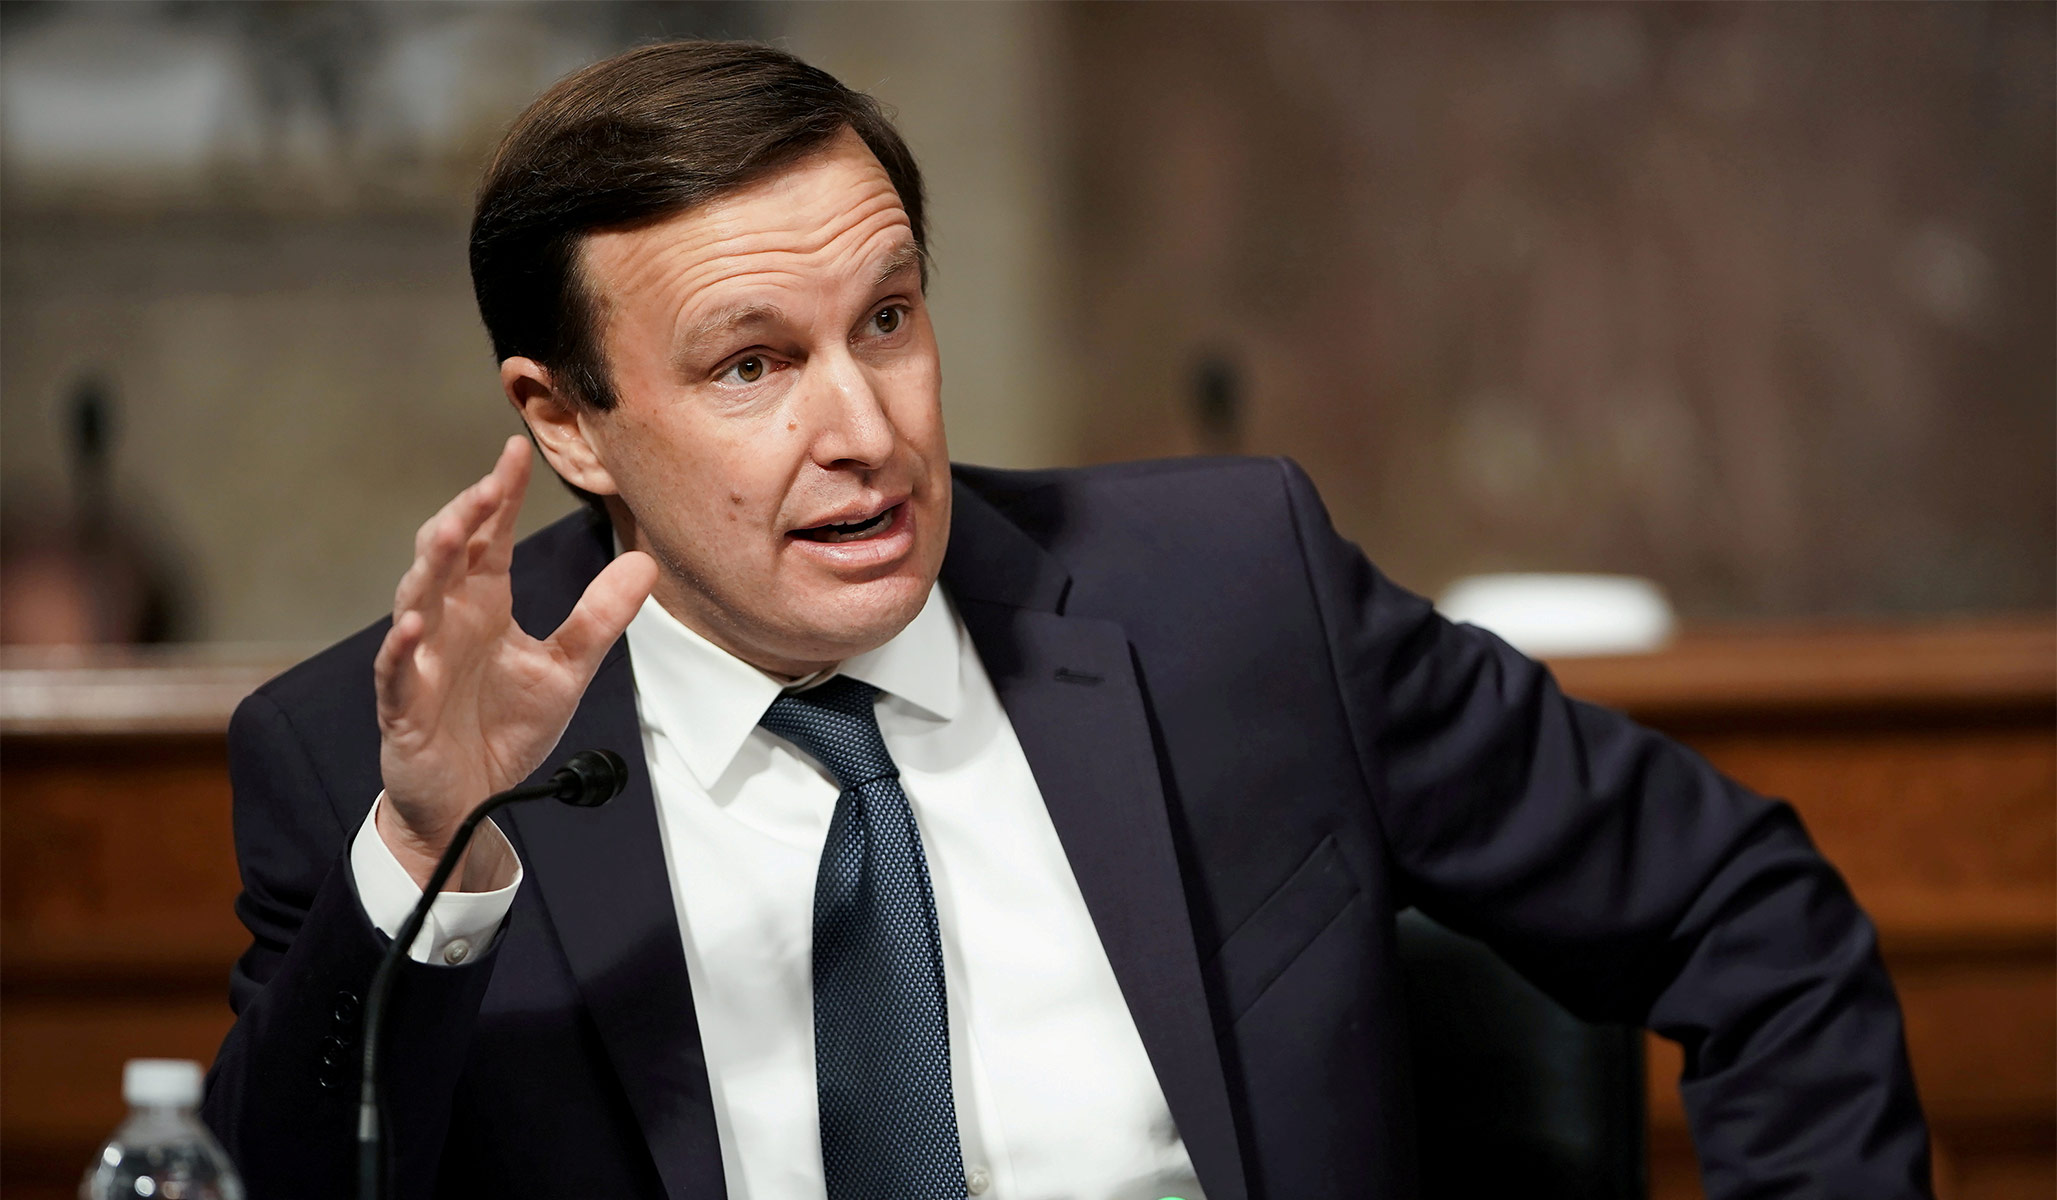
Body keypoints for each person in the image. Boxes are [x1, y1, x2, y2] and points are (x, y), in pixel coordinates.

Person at [200, 40, 1932, 1200]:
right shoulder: (373, 762)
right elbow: (273, 1180)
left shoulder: (1229, 601)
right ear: (567, 420)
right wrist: (429, 856)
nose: (863, 427)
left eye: (887, 321)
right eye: (751, 366)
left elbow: (1740, 908)